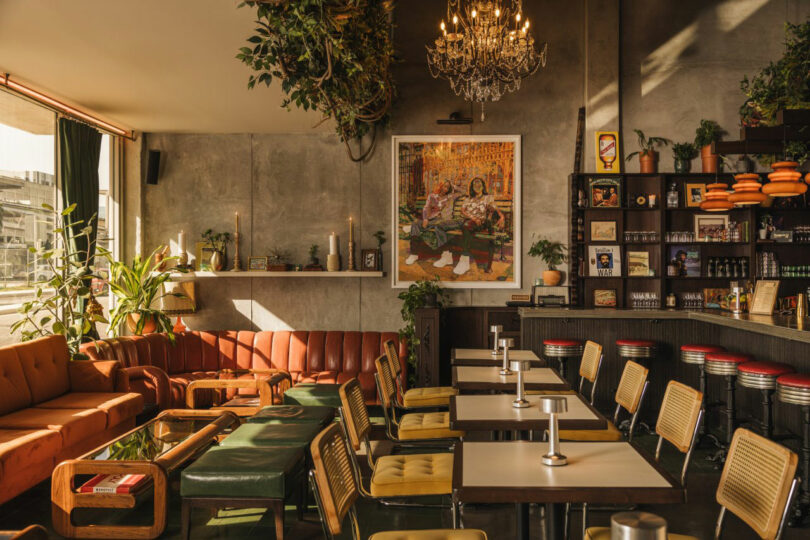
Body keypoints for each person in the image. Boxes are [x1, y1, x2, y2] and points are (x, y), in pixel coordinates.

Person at [405, 179, 463, 267]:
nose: (446, 189)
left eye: (448, 187)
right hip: (432, 219)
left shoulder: (451, 196)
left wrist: (453, 186)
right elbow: (426, 208)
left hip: (444, 220)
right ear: (440, 186)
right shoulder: (432, 196)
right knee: (415, 224)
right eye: (444, 186)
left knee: (436, 225)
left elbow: (464, 192)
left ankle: (446, 256)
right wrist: (425, 219)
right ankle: (414, 254)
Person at [454, 177, 505, 276]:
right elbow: (463, 211)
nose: (477, 186)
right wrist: (473, 218)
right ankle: (464, 261)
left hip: (482, 222)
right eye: (474, 184)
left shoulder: (488, 197)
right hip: (470, 221)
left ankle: (464, 260)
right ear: (472, 187)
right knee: (465, 226)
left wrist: (502, 216)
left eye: (479, 184)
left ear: (483, 186)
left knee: (466, 226)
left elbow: (495, 208)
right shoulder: (468, 198)